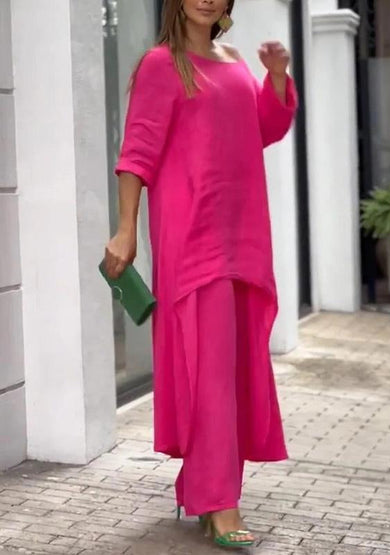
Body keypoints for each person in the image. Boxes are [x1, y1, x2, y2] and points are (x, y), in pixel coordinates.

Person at [104, 0, 297, 547]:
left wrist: (275, 78)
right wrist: (125, 230)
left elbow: (262, 128)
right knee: (209, 369)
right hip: (192, 234)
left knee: (230, 369)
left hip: (243, 232)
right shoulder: (160, 64)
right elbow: (137, 152)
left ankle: (201, 484)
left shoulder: (233, 60)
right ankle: (220, 505)